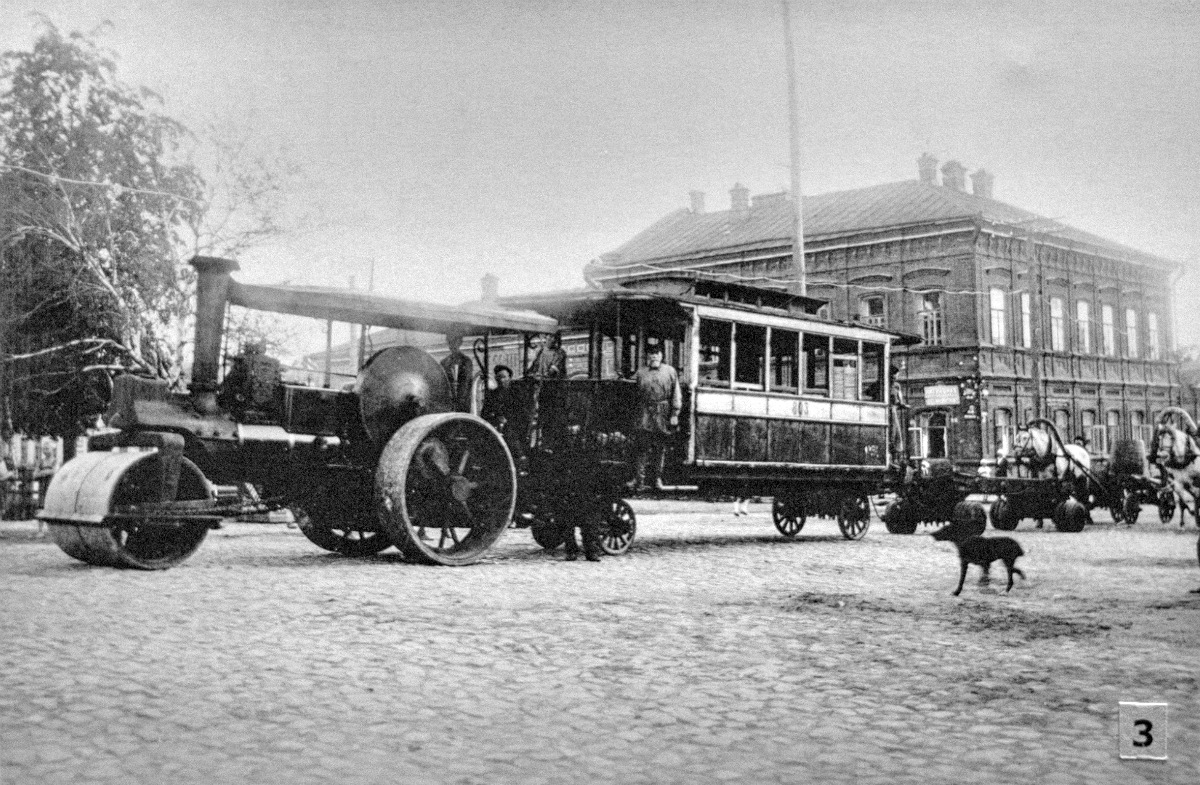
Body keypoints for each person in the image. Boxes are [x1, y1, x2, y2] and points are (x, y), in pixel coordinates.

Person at [630, 344, 682, 491]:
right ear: (647, 357)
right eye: (651, 354)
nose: (654, 356)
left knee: (660, 448)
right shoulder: (641, 373)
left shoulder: (670, 371)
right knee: (642, 447)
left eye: (657, 354)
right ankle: (639, 480)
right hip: (644, 412)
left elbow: (676, 394)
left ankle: (657, 480)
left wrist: (674, 414)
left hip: (663, 413)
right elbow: (634, 393)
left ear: (661, 356)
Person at [481, 365, 528, 461]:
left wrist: (507, 420)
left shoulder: (516, 393)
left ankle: (520, 457)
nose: (502, 380)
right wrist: (495, 418)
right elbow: (484, 413)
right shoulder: (492, 394)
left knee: (509, 431)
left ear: (509, 378)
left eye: (504, 377)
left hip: (515, 423)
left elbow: (522, 411)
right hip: (496, 424)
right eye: (499, 377)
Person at [440, 332, 477, 412]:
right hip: (448, 403)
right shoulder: (444, 362)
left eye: (454, 342)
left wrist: (460, 402)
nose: (452, 345)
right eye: (449, 342)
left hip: (462, 404)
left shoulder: (466, 361)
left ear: (460, 343)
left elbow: (466, 383)